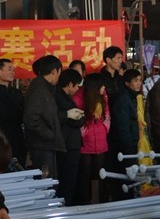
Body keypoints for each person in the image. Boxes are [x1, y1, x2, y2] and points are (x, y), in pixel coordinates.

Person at [23, 55, 64, 177]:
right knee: (46, 182)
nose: (59, 77)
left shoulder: (45, 88)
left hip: (46, 144)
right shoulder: (39, 89)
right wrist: (50, 134)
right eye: (59, 73)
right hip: (42, 145)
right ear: (54, 71)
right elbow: (31, 120)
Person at [75, 73, 111, 204]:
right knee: (85, 175)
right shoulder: (79, 98)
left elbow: (107, 114)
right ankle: (85, 202)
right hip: (85, 143)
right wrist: (84, 133)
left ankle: (100, 201)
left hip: (100, 140)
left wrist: (104, 128)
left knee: (100, 174)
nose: (104, 88)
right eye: (102, 86)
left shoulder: (103, 96)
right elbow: (77, 119)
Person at [0, 58, 26, 169]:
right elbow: (2, 115)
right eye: (9, 69)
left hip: (18, 138)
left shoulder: (16, 92)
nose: (13, 72)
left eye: (13, 69)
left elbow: (24, 112)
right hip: (2, 138)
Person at [109, 69, 143, 199]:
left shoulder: (133, 97)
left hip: (132, 141)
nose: (138, 83)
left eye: (140, 80)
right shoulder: (123, 99)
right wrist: (128, 144)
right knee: (127, 175)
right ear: (127, 83)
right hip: (125, 145)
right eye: (135, 81)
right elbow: (122, 124)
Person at [54, 69, 85, 205]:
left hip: (69, 143)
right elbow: (76, 120)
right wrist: (80, 118)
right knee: (68, 180)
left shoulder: (63, 97)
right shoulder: (60, 98)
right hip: (67, 144)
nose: (78, 89)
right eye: (77, 85)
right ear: (70, 84)